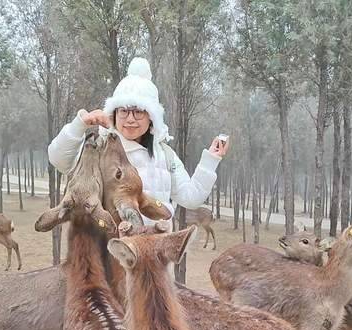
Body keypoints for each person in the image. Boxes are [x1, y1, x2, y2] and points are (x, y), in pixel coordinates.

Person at [48, 57, 229, 227]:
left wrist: (211, 159)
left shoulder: (165, 155)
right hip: (111, 252)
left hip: (155, 253)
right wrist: (80, 124)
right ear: (114, 113)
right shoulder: (99, 149)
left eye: (138, 111)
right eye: (124, 111)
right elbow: (58, 159)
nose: (130, 119)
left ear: (151, 116)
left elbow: (191, 197)